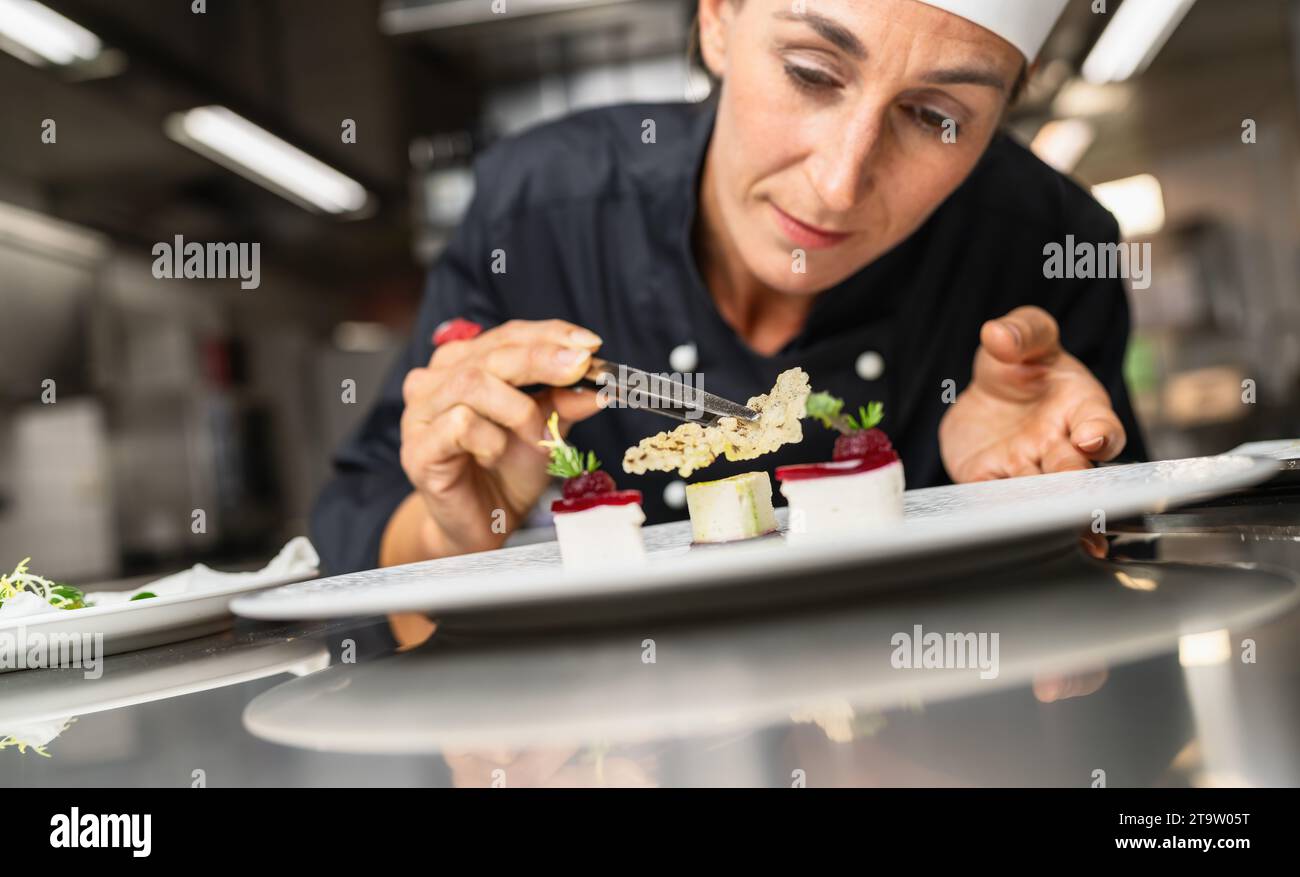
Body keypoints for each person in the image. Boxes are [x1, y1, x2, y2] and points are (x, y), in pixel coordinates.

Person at [313, 0, 1146, 576]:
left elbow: (1130, 595)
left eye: (936, 118)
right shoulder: (542, 209)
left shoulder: (1049, 242)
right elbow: (354, 539)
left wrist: (1040, 510)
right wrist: (457, 525)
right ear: (717, 17)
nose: (838, 184)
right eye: (812, 72)